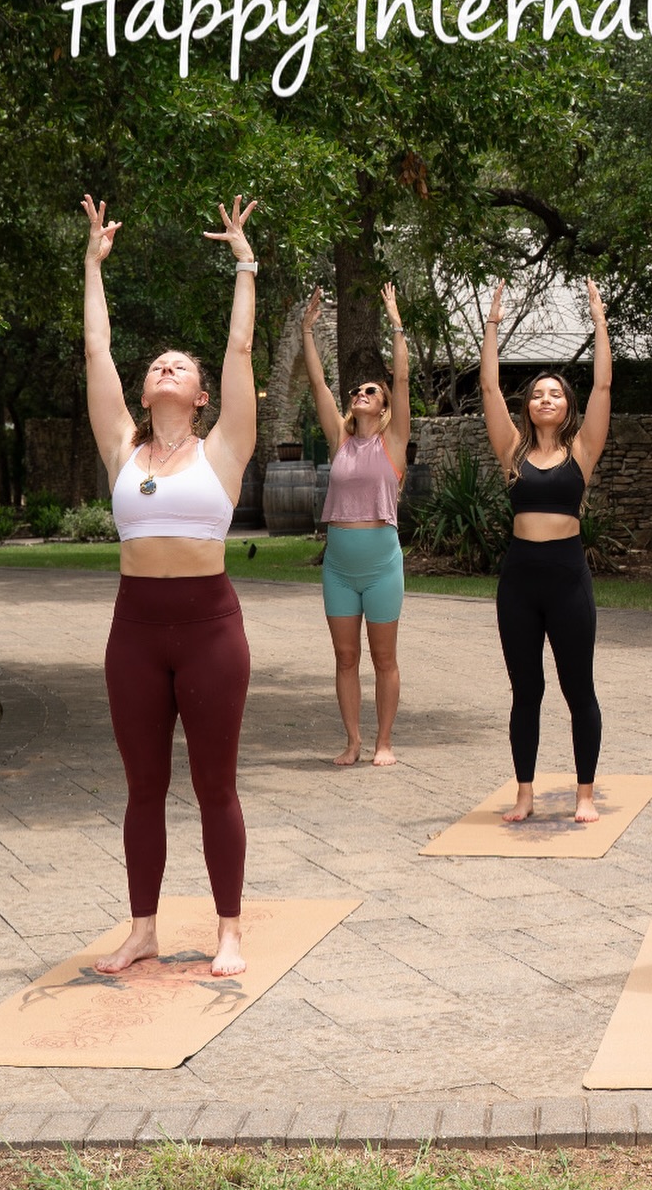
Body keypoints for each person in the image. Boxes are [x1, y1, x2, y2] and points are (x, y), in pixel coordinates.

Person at [81, 191, 258, 978]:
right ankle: (143, 928)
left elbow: (243, 350)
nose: (163, 368)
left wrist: (244, 265)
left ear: (199, 395)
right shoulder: (123, 448)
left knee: (215, 785)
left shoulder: (222, 452)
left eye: (179, 367)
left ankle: (228, 929)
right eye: (156, 364)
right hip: (136, 633)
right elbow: (94, 353)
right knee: (142, 786)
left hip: (210, 631)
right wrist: (92, 267)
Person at [480, 276, 612, 823]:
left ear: (567, 405)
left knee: (577, 686)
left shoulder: (582, 451)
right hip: (519, 581)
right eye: (537, 394)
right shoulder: (511, 452)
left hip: (567, 579)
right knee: (525, 690)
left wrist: (600, 322)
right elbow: (489, 390)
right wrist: (491, 326)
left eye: (555, 393)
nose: (545, 399)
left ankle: (584, 793)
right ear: (528, 407)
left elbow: (603, 389)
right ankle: (525, 793)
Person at [301, 283, 410, 767]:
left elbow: (402, 381)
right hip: (339, 567)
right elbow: (319, 384)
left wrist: (396, 322)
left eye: (371, 390)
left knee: (383, 659)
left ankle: (384, 741)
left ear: (383, 406)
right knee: (346, 659)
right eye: (357, 391)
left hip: (382, 564)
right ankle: (352, 741)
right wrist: (307, 330)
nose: (359, 394)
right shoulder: (340, 441)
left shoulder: (395, 442)